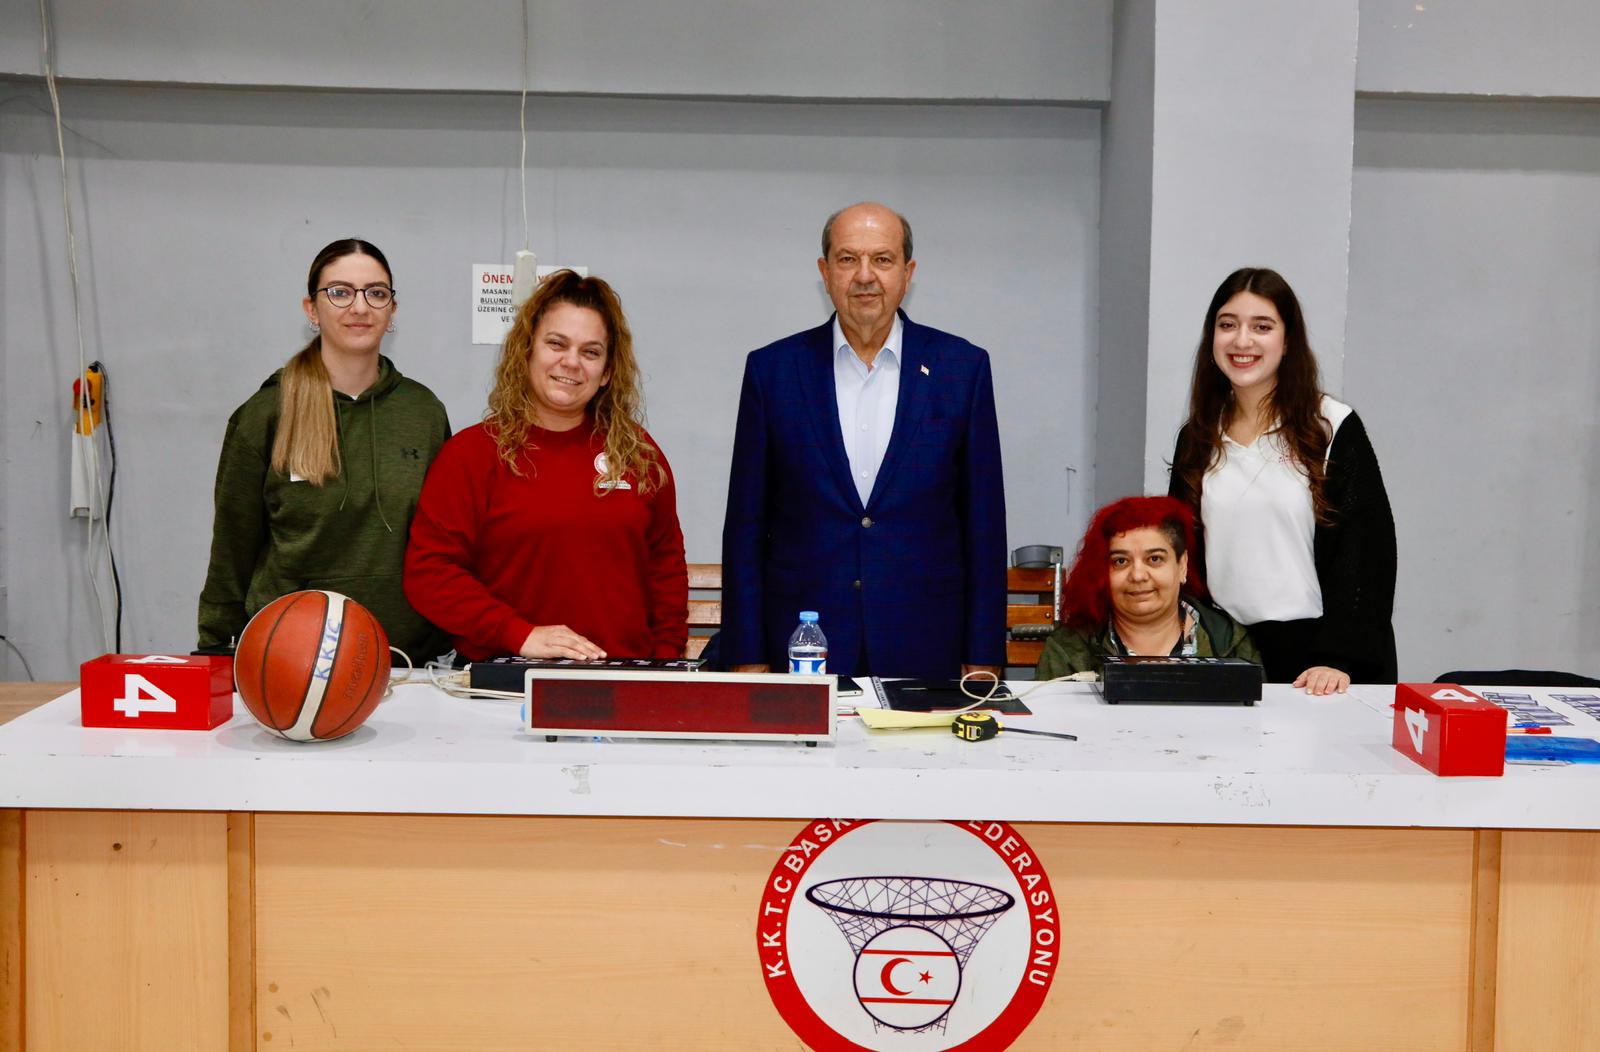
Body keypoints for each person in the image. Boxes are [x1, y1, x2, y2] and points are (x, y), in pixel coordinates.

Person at [721, 202, 1007, 679]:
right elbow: (745, 528)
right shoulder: (773, 371)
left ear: (907, 273)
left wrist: (982, 655)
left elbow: (984, 527)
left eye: (883, 259)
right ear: (825, 272)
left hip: (926, 643)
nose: (865, 275)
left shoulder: (962, 369)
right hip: (804, 644)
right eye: (848, 259)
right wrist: (747, 656)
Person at [403, 270, 687, 662]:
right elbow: (430, 573)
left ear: (607, 371)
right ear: (527, 351)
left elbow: (666, 570)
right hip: (504, 679)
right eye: (556, 344)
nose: (571, 362)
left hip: (620, 678)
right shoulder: (471, 454)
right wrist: (518, 634)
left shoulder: (639, 454)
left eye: (591, 352)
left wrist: (664, 664)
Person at [198, 238, 450, 661]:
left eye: (376, 293)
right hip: (289, 657)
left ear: (392, 310)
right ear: (311, 309)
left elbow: (444, 545)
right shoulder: (266, 414)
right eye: (339, 292)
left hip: (404, 658)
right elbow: (232, 549)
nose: (360, 307)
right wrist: (215, 648)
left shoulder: (423, 412)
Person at [1169, 267, 1397, 694]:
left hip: (1319, 662)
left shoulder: (1331, 425)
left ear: (1288, 340)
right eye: (1228, 325)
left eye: (1262, 327)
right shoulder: (1198, 436)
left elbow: (1367, 550)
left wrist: (1337, 658)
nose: (1242, 341)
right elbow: (1185, 554)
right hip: (1228, 651)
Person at [1035, 496, 1259, 680]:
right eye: (1121, 561)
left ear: (1182, 566)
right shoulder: (1069, 649)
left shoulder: (1229, 643)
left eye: (1154, 559)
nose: (1138, 575)